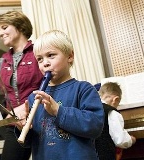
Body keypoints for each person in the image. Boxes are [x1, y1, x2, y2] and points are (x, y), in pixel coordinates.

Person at [15, 30, 104, 160]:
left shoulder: (83, 89)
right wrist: (23, 128)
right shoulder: (34, 98)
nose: (45, 63)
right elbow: (30, 142)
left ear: (70, 56)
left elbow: (94, 126)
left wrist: (58, 110)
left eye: (51, 55)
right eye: (39, 59)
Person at [0, 11, 43, 160]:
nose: (0, 33)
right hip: (15, 125)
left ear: (20, 26)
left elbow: (53, 85)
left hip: (43, 121)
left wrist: (27, 105)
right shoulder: (2, 62)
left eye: (4, 27)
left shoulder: (40, 52)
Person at [95, 82, 136, 160]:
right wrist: (131, 139)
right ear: (115, 99)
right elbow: (120, 141)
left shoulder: (90, 109)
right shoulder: (112, 112)